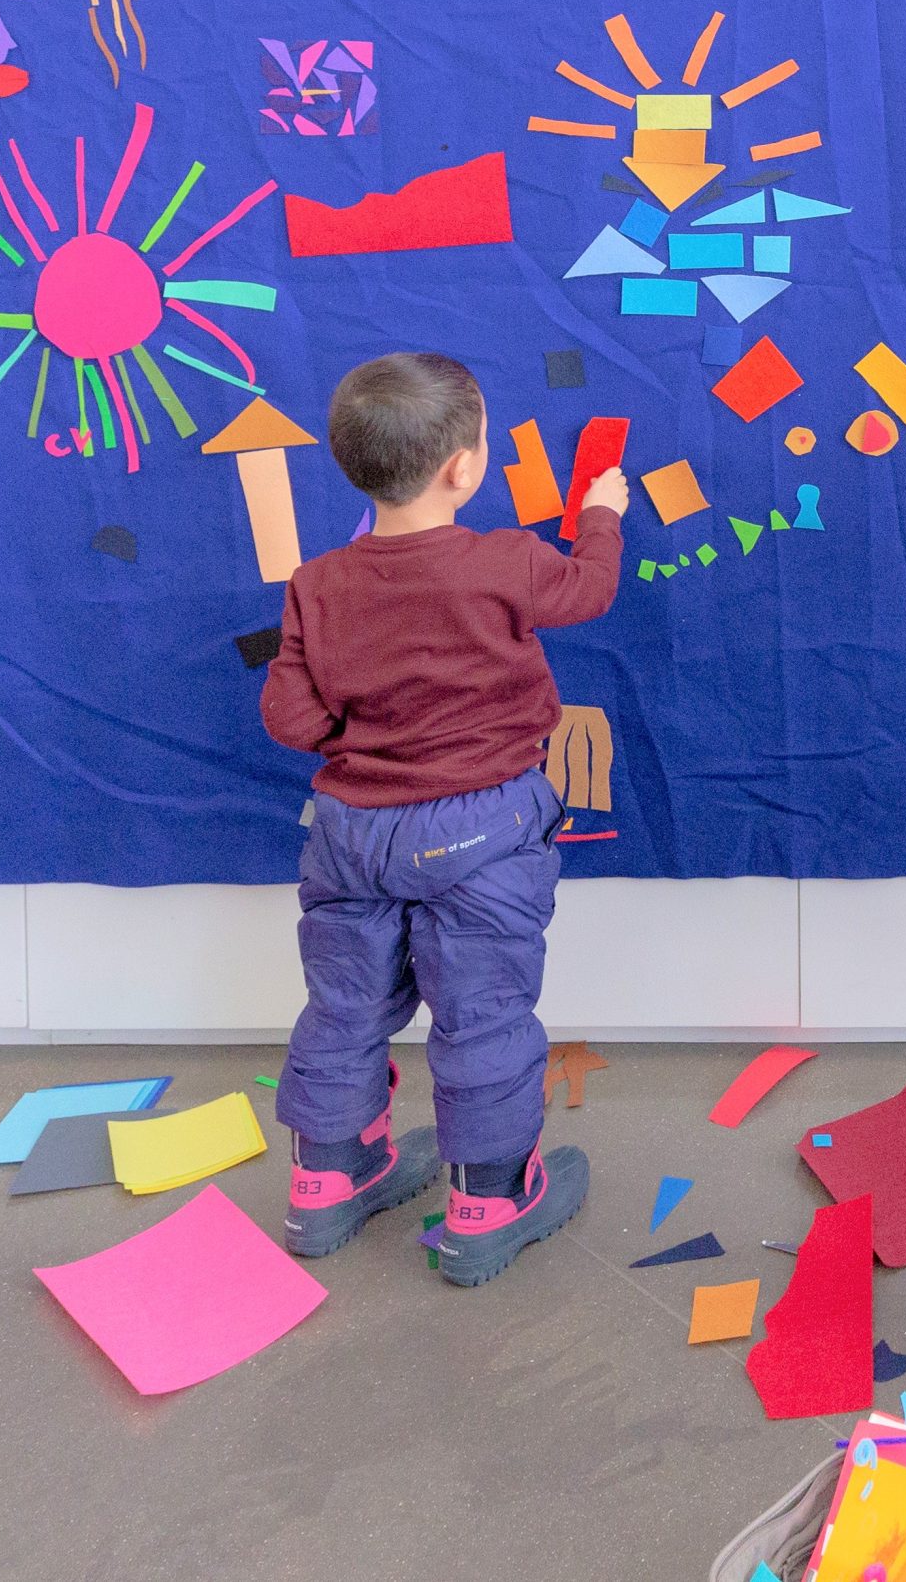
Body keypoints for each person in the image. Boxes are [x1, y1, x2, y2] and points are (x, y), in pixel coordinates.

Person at [260, 352, 628, 1287]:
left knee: (344, 1006)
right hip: (483, 830)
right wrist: (601, 515)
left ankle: (325, 1182)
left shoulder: (317, 582)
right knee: (482, 1014)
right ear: (464, 468)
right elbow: (587, 591)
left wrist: (364, 728)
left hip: (349, 832)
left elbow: (292, 721)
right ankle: (490, 1202)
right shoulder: (505, 560)